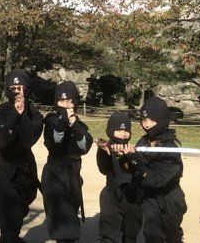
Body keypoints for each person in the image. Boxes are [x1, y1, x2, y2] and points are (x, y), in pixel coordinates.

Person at [0, 69, 44, 243]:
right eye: (14, 88)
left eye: (22, 88)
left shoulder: (35, 114)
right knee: (7, 211)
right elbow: (1, 140)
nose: (19, 92)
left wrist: (23, 115)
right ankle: (9, 236)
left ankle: (10, 235)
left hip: (25, 163)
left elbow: (29, 140)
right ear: (7, 89)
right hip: (2, 164)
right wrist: (15, 115)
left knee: (22, 204)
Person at [122, 96, 186, 243]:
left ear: (162, 120)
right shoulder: (143, 142)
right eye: (143, 120)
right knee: (152, 235)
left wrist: (137, 161)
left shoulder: (171, 147)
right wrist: (126, 157)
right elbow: (132, 169)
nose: (146, 125)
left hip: (170, 198)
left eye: (151, 120)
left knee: (172, 236)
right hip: (149, 197)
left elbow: (158, 180)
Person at [41, 81, 93, 243]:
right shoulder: (51, 121)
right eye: (62, 102)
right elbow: (56, 142)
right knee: (62, 217)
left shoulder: (79, 124)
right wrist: (64, 121)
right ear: (56, 102)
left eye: (70, 101)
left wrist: (74, 125)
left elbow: (84, 146)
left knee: (71, 210)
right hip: (55, 173)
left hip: (73, 174)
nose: (67, 105)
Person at [95, 111, 142, 243]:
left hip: (132, 198)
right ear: (110, 130)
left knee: (130, 236)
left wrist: (131, 156)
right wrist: (104, 152)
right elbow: (103, 169)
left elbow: (138, 171)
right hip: (112, 196)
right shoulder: (106, 147)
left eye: (126, 130)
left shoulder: (133, 149)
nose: (123, 133)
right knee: (109, 236)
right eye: (119, 129)